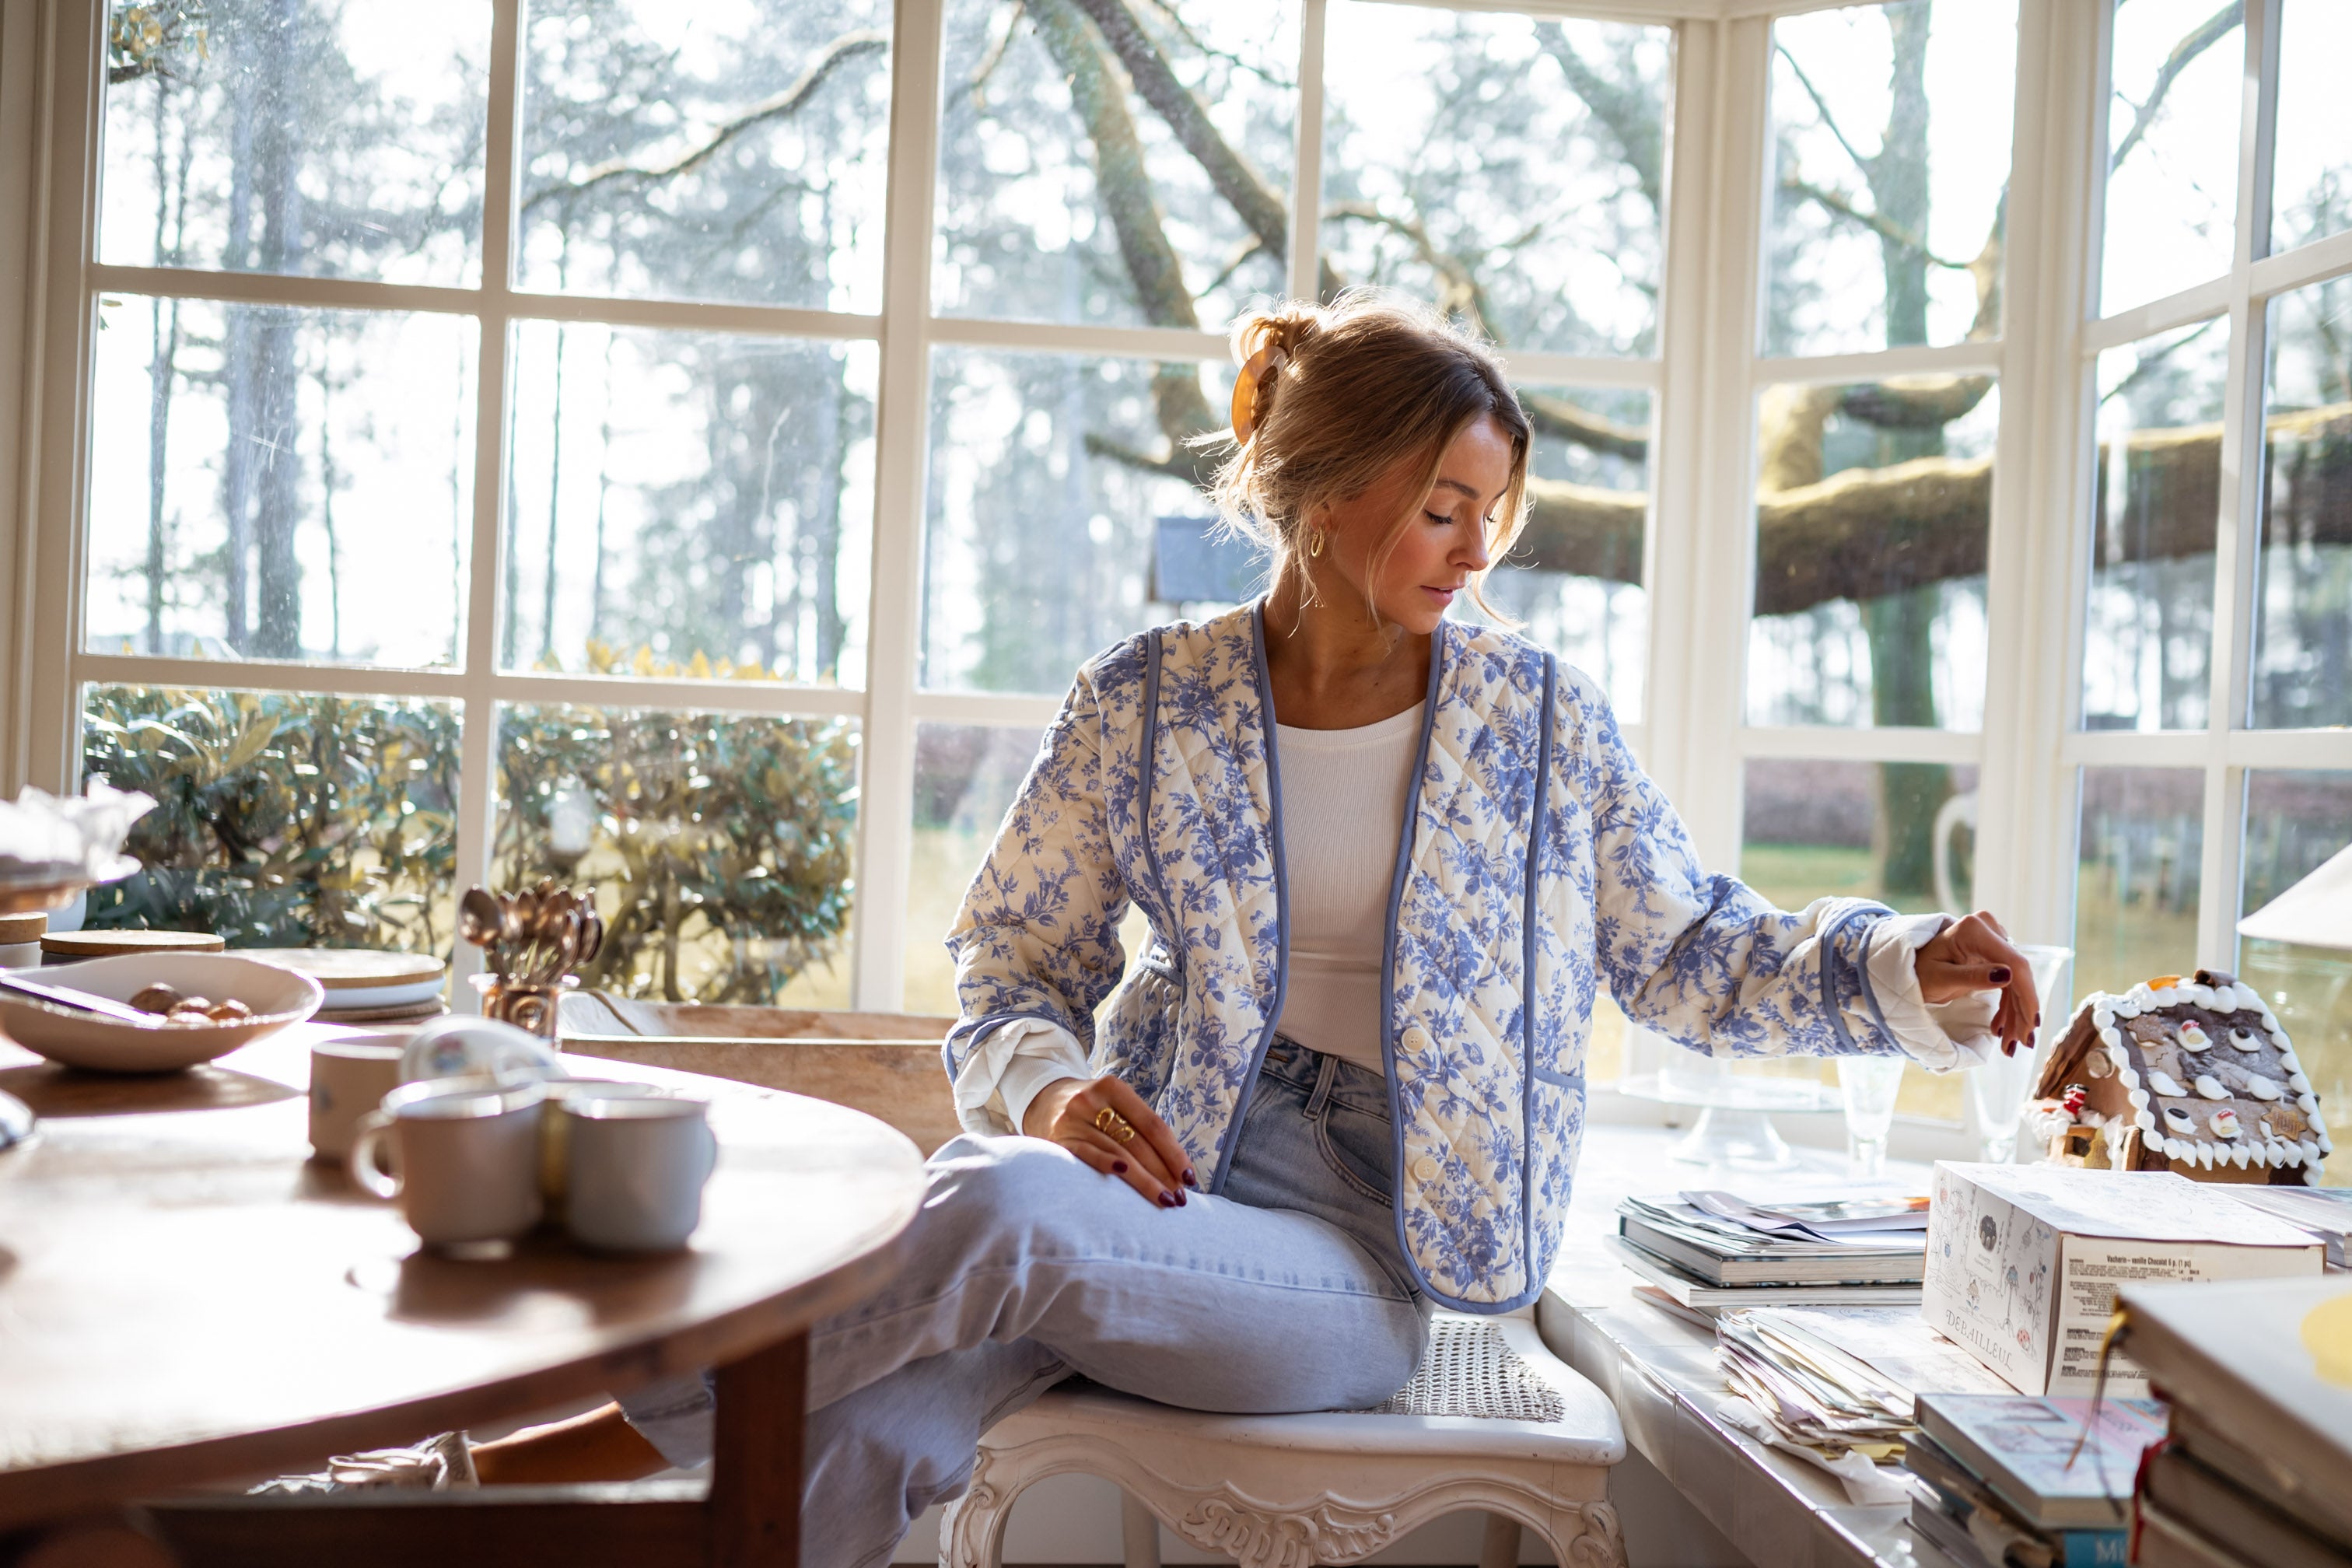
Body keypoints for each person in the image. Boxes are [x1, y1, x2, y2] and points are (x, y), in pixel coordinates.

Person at [313, 291, 2042, 1564]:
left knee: (990, 1212)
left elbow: (1691, 950)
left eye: (1489, 514)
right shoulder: (1151, 703)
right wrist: (1055, 1090)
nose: (1470, 548)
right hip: (1160, 1176)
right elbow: (1011, 966)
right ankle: (502, 1498)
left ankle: (507, 1451)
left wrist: (1906, 975)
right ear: (1323, 495)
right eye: (1441, 506)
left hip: (1371, 1260)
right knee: (882, 1428)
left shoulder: (1538, 724)